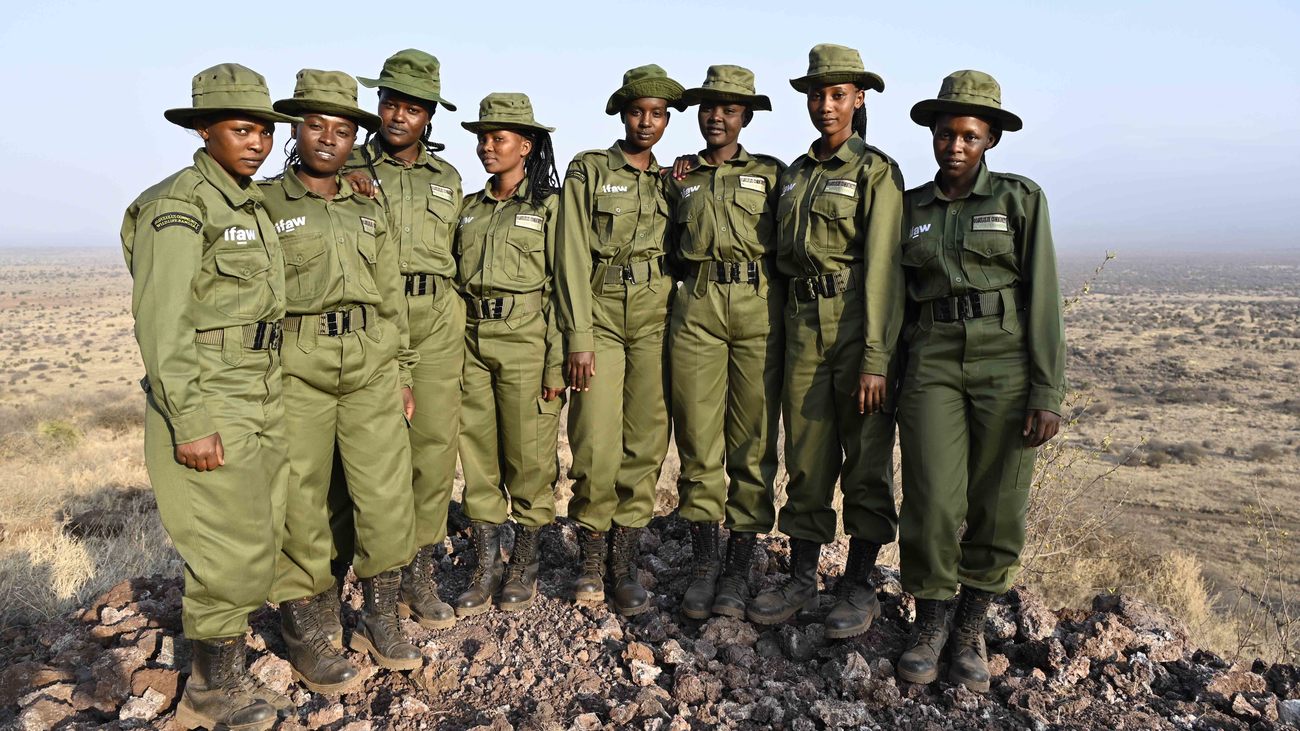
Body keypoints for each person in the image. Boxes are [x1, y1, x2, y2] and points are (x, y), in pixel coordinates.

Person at [121, 63, 299, 730]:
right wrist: (190, 419)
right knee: (232, 547)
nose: (256, 141)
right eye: (241, 128)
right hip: (212, 394)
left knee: (261, 534)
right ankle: (207, 690)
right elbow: (162, 325)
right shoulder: (179, 207)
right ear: (204, 129)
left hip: (260, 389)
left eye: (262, 130)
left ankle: (222, 671)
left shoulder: (247, 201)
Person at [894, 70, 1064, 692]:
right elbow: (892, 299)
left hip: (1005, 362)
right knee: (934, 498)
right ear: (934, 138)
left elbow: (1043, 296)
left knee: (998, 503)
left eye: (969, 135)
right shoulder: (908, 208)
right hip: (932, 358)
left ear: (990, 138)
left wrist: (1047, 391)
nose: (955, 146)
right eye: (946, 135)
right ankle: (930, 622)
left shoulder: (1021, 200)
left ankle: (970, 629)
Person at [260, 69, 423, 691]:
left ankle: (380, 615)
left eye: (342, 126)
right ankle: (307, 626)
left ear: (357, 134)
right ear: (294, 131)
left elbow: (390, 295)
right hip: (297, 365)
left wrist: (402, 368)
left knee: (384, 492)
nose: (328, 137)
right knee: (301, 497)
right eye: (315, 125)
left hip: (371, 362)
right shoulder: (267, 204)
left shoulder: (367, 203)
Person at [747, 44, 905, 640]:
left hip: (858, 321)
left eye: (838, 93)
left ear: (859, 98)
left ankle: (859, 582)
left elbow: (885, 269)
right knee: (808, 456)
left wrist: (876, 357)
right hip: (802, 322)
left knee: (865, 460)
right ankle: (803, 574)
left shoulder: (876, 172)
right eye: (817, 94)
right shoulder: (795, 174)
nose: (826, 104)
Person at [554, 64, 684, 616]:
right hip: (601, 317)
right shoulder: (589, 170)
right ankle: (589, 556)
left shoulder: (674, 180)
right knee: (594, 438)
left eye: (657, 114)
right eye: (637, 112)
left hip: (656, 317)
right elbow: (571, 253)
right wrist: (578, 335)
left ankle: (623, 560)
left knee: (648, 440)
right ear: (622, 114)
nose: (647, 122)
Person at [345, 49, 462, 631]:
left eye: (413, 108)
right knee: (379, 453)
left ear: (428, 117)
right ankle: (378, 578)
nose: (399, 116)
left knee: (434, 449)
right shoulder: (350, 169)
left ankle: (420, 571)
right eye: (391, 103)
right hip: (377, 316)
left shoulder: (449, 179)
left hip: (440, 314)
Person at [665, 65, 785, 620]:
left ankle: (739, 566)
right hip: (696, 310)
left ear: (746, 117)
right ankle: (704, 563)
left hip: (759, 312)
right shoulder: (680, 179)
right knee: (696, 437)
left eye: (730, 109)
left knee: (754, 440)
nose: (718, 116)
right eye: (709, 107)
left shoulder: (773, 175)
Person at [452, 93, 564, 615]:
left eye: (498, 139)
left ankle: (525, 561)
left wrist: (557, 360)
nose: (486, 147)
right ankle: (486, 563)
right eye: (482, 138)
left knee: (528, 454)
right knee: (478, 456)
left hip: (526, 338)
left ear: (527, 144)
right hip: (472, 340)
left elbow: (568, 288)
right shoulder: (470, 209)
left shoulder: (549, 207)